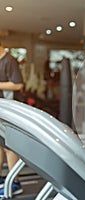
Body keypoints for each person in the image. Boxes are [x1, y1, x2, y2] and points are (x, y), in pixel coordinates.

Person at [0, 41, 24, 196]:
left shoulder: (9, 60)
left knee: (9, 147)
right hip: (0, 109)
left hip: (9, 110)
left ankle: (15, 181)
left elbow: (18, 85)